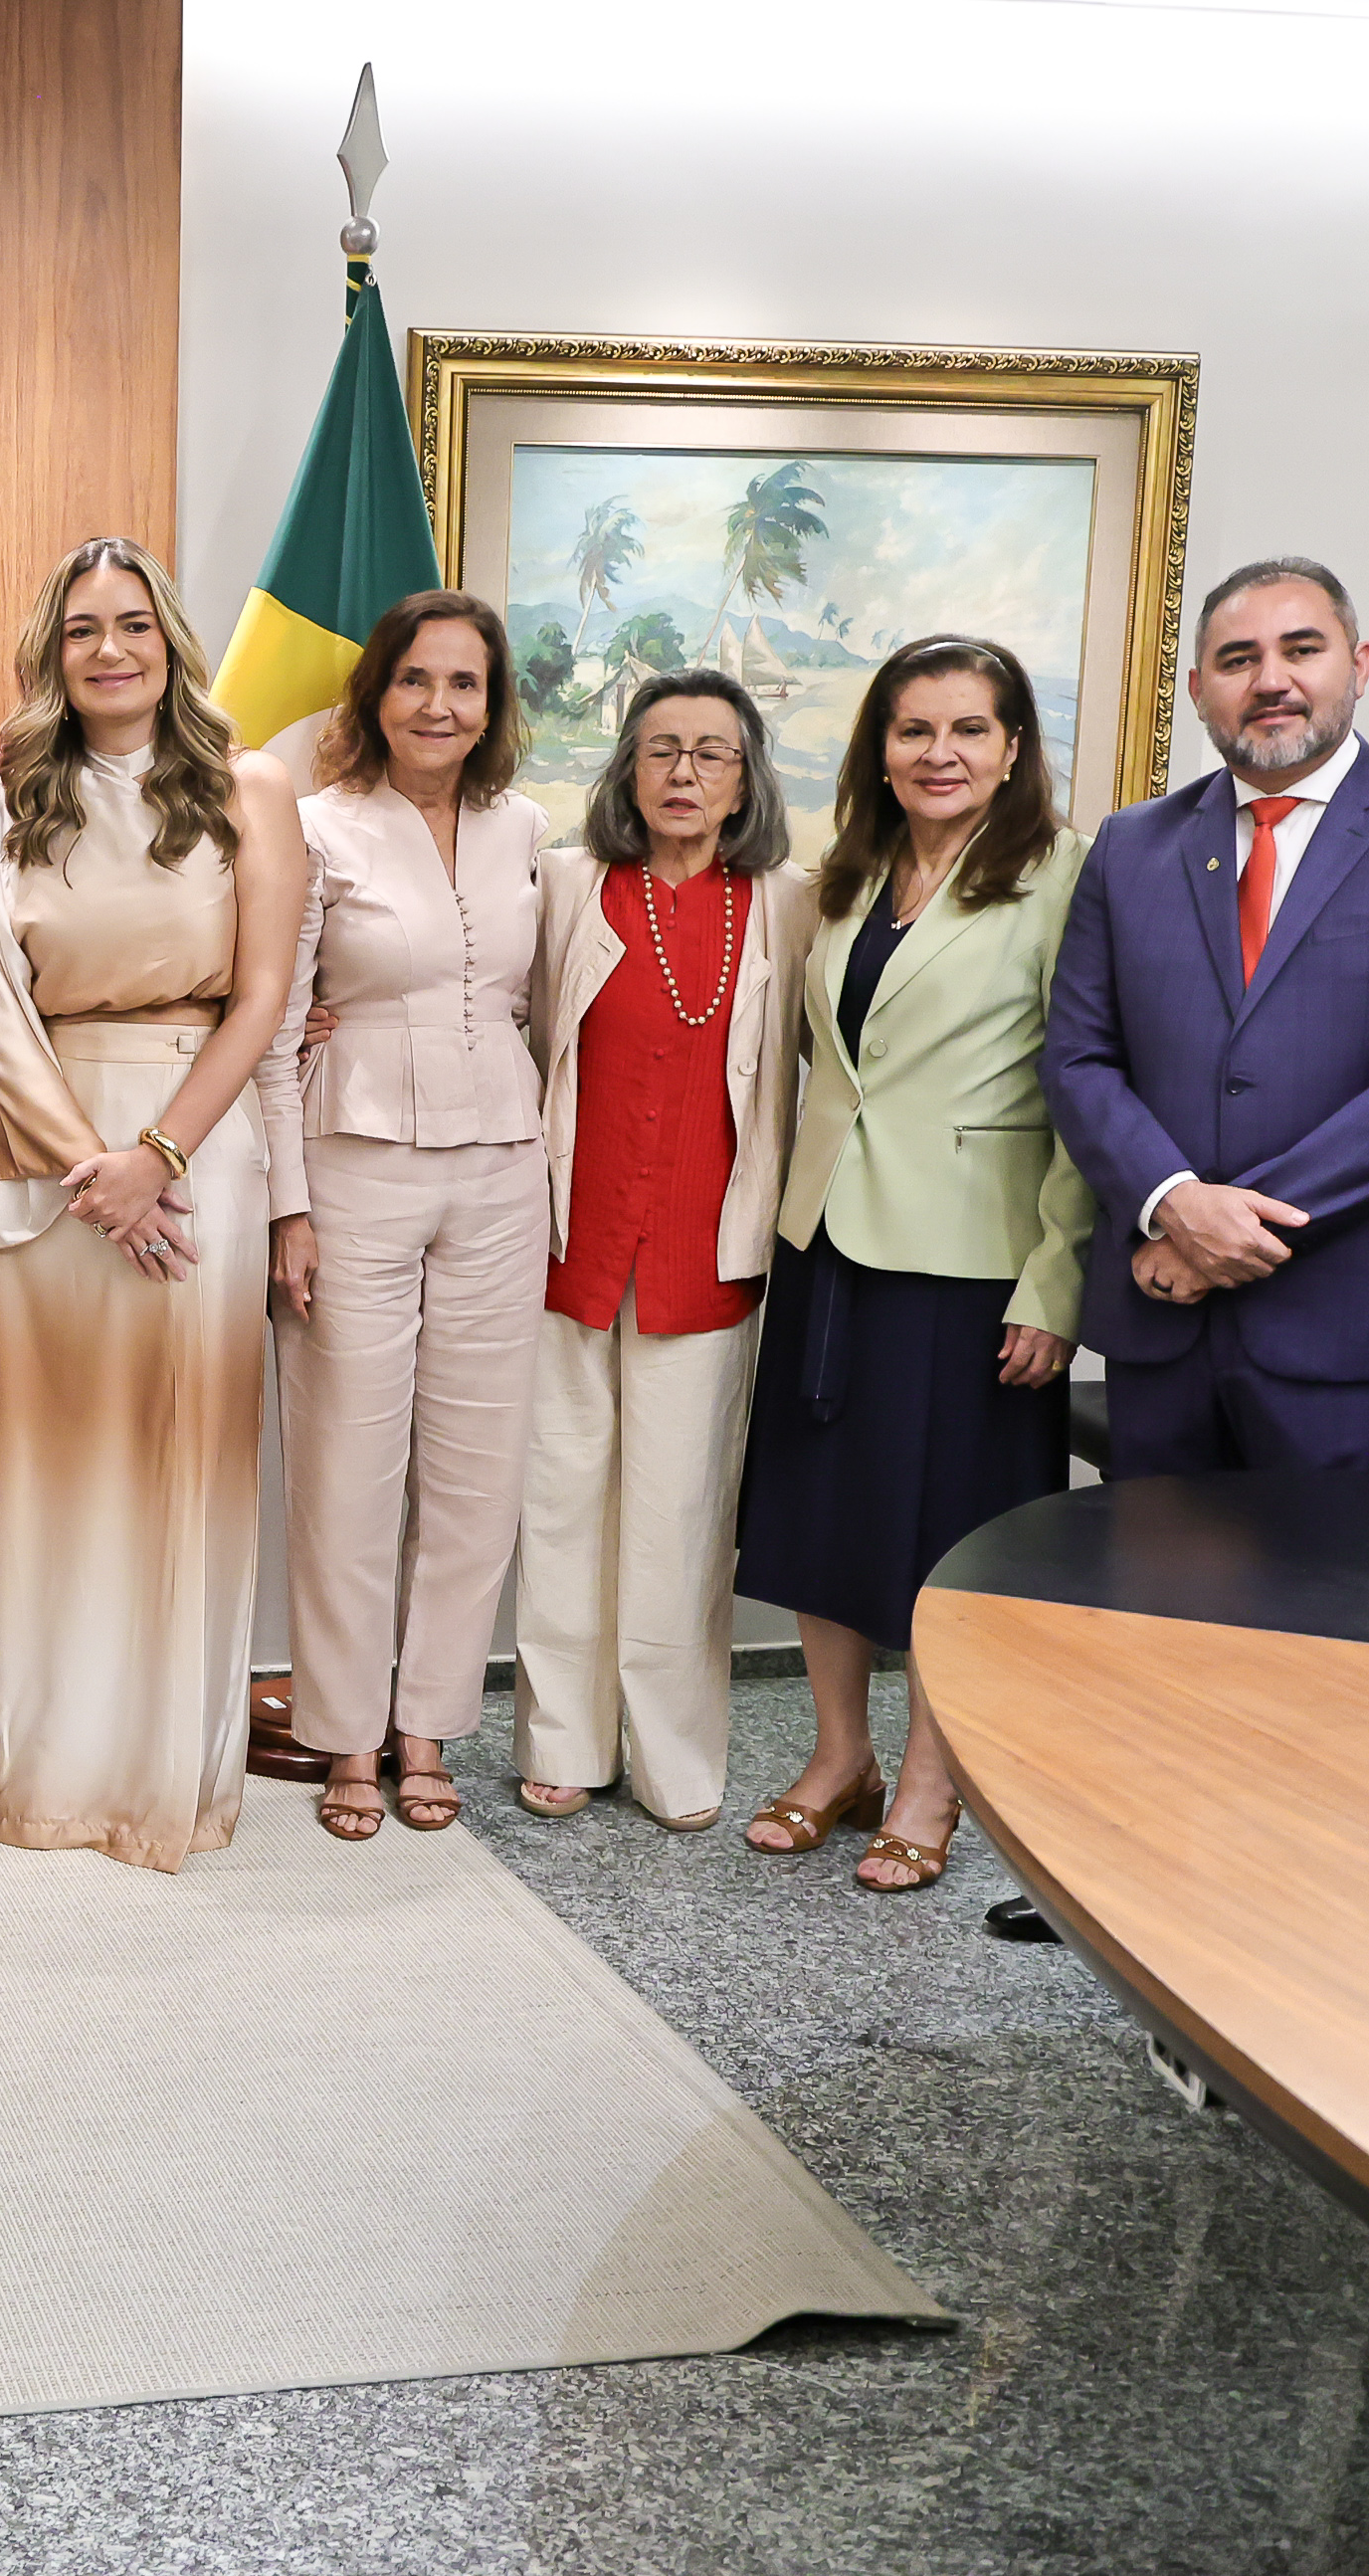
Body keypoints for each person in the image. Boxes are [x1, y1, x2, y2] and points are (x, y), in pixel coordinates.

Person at [0, 536, 302, 1871]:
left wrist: (160, 1158)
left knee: (186, 1455)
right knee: (50, 1466)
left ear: (169, 640)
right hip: (52, 1160)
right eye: (82, 629)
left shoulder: (250, 786)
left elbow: (264, 995)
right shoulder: (9, 793)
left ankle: (168, 1785)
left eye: (132, 623)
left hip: (199, 1143)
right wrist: (94, 1166)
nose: (109, 649)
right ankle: (54, 1781)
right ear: (53, 652)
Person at [734, 638, 1092, 1894]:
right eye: (913, 730)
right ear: (879, 749)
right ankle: (842, 1757)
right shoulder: (848, 873)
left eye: (968, 729)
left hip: (975, 1256)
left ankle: (934, 1783)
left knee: (953, 1530)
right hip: (828, 1232)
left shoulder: (1064, 878)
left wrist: (1057, 1282)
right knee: (819, 1509)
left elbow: (1088, 1093)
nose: (940, 753)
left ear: (1012, 747)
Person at [1046, 557, 1369, 1476]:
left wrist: (1225, 1237)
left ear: (1360, 664)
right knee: (1143, 1570)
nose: (1271, 680)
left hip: (1348, 1320)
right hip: (1162, 1315)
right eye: (1239, 659)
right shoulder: (1129, 845)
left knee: (1329, 1573)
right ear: (1199, 689)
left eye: (1302, 649)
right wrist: (1171, 1204)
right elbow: (1079, 1058)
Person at [256, 589, 551, 1842]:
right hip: (352, 1169)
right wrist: (288, 1207)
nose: (440, 704)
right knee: (346, 1466)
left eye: (464, 682)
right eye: (416, 678)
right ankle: (346, 1735)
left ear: (492, 704)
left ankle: (428, 1725)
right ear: (376, 693)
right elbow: (275, 1030)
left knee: (477, 1471)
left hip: (504, 1170)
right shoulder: (315, 823)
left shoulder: (526, 826)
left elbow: (538, 1005)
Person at [513, 669, 820, 1831]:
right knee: (562, 1497)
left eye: (712, 753)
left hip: (707, 1251)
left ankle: (674, 1757)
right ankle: (561, 1739)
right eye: (662, 750)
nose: (685, 773)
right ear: (627, 770)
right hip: (570, 1242)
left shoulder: (790, 901)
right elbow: (482, 999)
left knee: (681, 1514)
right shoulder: (566, 884)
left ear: (747, 779)